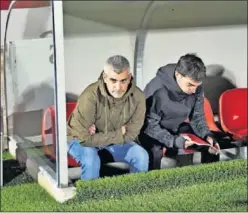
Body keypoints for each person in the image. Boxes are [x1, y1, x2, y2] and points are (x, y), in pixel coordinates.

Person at [66, 55, 149, 180]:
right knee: (91, 160)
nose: (118, 87)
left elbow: (131, 134)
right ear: (105, 77)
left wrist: (97, 137)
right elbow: (84, 139)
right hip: (77, 139)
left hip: (108, 141)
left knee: (141, 155)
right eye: (113, 80)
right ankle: (90, 198)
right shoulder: (90, 96)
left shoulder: (138, 97)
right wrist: (119, 133)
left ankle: (136, 196)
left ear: (130, 77)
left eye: (123, 81)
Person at [139, 53, 220, 170]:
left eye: (197, 86)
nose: (194, 90)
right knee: (155, 152)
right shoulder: (157, 89)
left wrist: (207, 135)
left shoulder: (196, 89)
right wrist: (174, 141)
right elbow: (149, 125)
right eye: (190, 85)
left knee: (209, 145)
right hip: (150, 131)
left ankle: (209, 182)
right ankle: (152, 186)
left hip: (175, 127)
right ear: (178, 75)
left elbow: (197, 118)